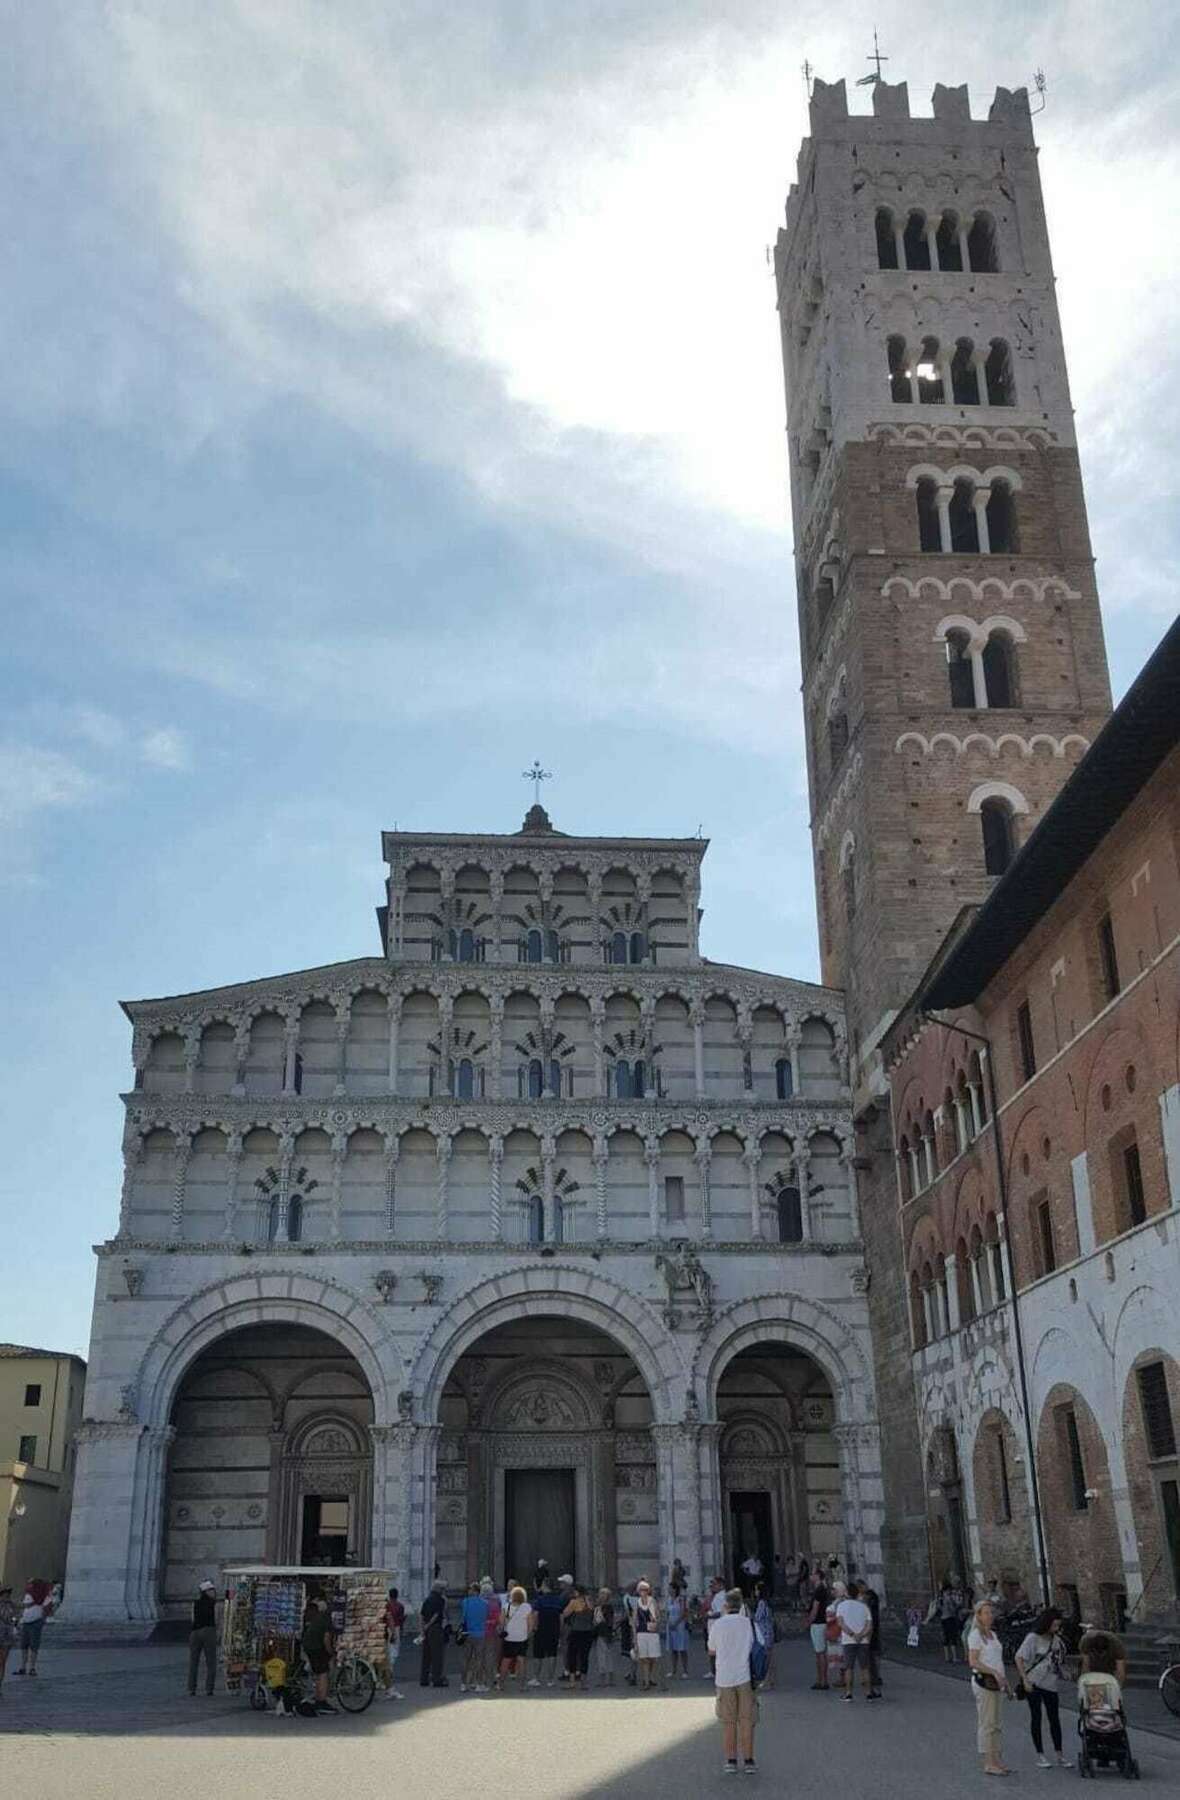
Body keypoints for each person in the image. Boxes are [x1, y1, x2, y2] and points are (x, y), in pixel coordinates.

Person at [1015, 1605, 1072, 1769]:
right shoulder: (1033, 1638)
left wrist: (1064, 1672)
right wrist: (1024, 1680)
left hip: (1050, 1683)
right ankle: (1040, 1754)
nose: (1057, 1628)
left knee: (1054, 1718)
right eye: (1054, 1625)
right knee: (1037, 1717)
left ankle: (1059, 1754)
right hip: (1033, 1682)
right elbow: (1019, 1658)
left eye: (1058, 1625)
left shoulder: (1057, 1640)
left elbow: (1057, 1661)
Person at [708, 1588, 757, 1775]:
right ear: (741, 1605)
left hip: (724, 1677)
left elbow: (711, 1649)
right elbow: (755, 1644)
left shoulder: (718, 1625)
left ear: (726, 1605)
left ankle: (731, 1760)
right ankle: (749, 1760)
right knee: (746, 1719)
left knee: (729, 1720)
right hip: (744, 1676)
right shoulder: (747, 1623)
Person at [967, 1599, 1013, 1778]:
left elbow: (998, 1660)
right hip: (984, 1681)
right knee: (987, 1722)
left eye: (991, 1613)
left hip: (997, 1682)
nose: (989, 1616)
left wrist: (1004, 1680)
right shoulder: (975, 1636)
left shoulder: (993, 1635)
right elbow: (973, 1661)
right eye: (986, 1613)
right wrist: (993, 1672)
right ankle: (989, 1762)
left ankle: (997, 1759)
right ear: (978, 1616)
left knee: (997, 1723)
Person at [834, 1579, 873, 1702]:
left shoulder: (841, 1606)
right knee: (865, 1667)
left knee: (849, 1668)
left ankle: (849, 1693)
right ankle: (868, 1693)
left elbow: (841, 1623)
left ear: (847, 1593)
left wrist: (852, 1634)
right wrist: (861, 1635)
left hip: (848, 1640)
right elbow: (869, 1625)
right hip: (863, 1641)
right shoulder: (864, 1607)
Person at [301, 1597, 337, 1715]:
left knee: (319, 1671)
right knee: (323, 1672)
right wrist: (331, 1652)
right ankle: (321, 1701)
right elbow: (326, 1639)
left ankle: (318, 1697)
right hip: (315, 1647)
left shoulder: (317, 1617)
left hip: (309, 1645)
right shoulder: (327, 1619)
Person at [496, 1585, 532, 1692]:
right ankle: (523, 1685)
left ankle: (501, 1683)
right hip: (522, 1638)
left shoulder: (506, 1606)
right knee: (521, 1661)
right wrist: (528, 1634)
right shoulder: (527, 1607)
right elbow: (530, 1623)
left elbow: (501, 1623)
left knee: (506, 1661)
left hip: (509, 1637)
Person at [530, 1575, 564, 1686]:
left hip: (541, 1629)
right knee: (552, 1654)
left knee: (538, 1654)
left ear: (545, 1586)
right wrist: (560, 1629)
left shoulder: (539, 1600)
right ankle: (550, 1680)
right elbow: (561, 1616)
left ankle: (536, 1678)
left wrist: (533, 1627)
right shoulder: (558, 1600)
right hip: (553, 1629)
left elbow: (535, 1615)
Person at [187, 1578, 218, 1697]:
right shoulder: (214, 1604)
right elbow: (217, 1619)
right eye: (212, 1590)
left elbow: (192, 1619)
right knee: (211, 1661)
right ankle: (209, 1689)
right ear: (206, 1591)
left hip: (195, 1632)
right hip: (208, 1630)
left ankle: (191, 1688)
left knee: (193, 1662)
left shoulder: (195, 1603)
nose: (214, 1592)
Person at [16, 1580, 54, 1678]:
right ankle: (23, 1667)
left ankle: (32, 1668)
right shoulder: (28, 1594)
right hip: (26, 1622)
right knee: (23, 1646)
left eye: (31, 1583)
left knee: (34, 1646)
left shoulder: (43, 1595)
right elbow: (24, 1606)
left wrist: (42, 1620)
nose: (29, 1585)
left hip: (35, 1623)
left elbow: (48, 1606)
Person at [562, 1584, 595, 1687]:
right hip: (588, 1632)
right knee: (584, 1657)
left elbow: (565, 1613)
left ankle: (572, 1682)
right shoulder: (589, 1602)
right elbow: (592, 1612)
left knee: (572, 1655)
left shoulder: (574, 1602)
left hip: (576, 1631)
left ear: (577, 1592)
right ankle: (583, 1682)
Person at [459, 1581, 489, 1692]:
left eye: (470, 1589)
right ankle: (478, 1683)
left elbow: (463, 1618)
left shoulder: (465, 1602)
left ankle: (463, 1683)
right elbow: (485, 1617)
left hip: (467, 1633)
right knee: (479, 1659)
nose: (468, 1591)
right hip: (480, 1633)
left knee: (466, 1659)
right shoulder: (485, 1603)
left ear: (474, 1591)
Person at [419, 1579, 448, 1688]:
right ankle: (437, 1679)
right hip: (435, 1628)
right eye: (443, 1589)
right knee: (437, 1655)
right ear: (440, 1589)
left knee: (426, 1655)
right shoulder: (440, 1600)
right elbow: (437, 1615)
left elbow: (421, 1615)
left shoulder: (427, 1599)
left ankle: (424, 1679)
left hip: (426, 1629)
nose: (444, 1591)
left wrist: (422, 1629)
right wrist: (429, 1625)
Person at [633, 1580, 662, 1689]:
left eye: (645, 1590)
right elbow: (635, 1620)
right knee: (644, 1658)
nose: (643, 1592)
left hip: (652, 1633)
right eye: (641, 1590)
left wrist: (656, 1621)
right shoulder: (637, 1603)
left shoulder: (652, 1601)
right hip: (641, 1632)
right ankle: (646, 1682)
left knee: (653, 1658)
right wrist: (634, 1636)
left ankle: (650, 1678)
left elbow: (658, 1616)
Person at [807, 1569, 832, 1690]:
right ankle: (822, 1679)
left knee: (820, 1653)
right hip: (821, 1623)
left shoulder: (819, 1590)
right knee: (820, 1653)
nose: (810, 1576)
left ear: (817, 1576)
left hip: (818, 1623)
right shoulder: (822, 1589)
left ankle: (822, 1681)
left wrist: (808, 1621)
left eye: (812, 1574)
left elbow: (815, 1609)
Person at [934, 1577, 967, 1663]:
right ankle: (955, 1657)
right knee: (953, 1638)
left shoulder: (940, 1598)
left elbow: (938, 1608)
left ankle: (947, 1657)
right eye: (949, 1590)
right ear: (947, 1590)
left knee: (946, 1638)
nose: (950, 1592)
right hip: (950, 1618)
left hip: (943, 1619)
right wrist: (957, 1606)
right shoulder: (948, 1599)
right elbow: (952, 1609)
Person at [383, 1585, 406, 1699]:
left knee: (389, 1648)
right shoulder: (400, 1606)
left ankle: (390, 1666)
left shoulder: (387, 1605)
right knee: (394, 1649)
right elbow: (401, 1620)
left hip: (386, 1628)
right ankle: (390, 1668)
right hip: (394, 1628)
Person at [479, 1577, 501, 1692]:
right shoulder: (496, 1602)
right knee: (491, 1655)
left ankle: (481, 1680)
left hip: (481, 1632)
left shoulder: (479, 1602)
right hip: (492, 1631)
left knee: (481, 1656)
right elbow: (498, 1618)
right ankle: (493, 1678)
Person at [666, 1582, 690, 1681]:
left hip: (680, 1625)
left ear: (675, 1590)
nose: (669, 1590)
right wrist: (668, 1622)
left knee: (682, 1649)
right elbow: (667, 1612)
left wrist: (675, 1623)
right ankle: (673, 1670)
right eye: (669, 1588)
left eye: (671, 1588)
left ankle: (685, 1671)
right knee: (673, 1649)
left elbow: (684, 1613)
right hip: (671, 1625)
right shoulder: (668, 1600)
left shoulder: (681, 1599)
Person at [591, 1587, 616, 1686]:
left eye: (602, 1594)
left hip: (604, 1634)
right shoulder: (598, 1607)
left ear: (607, 1596)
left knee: (605, 1656)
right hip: (599, 1634)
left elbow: (609, 1622)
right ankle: (605, 1680)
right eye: (600, 1593)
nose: (600, 1596)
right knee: (602, 1656)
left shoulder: (607, 1607)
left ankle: (607, 1680)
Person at [862, 1583, 883, 1699]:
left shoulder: (869, 1611)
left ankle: (872, 1688)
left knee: (870, 1664)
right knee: (871, 1663)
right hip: (871, 1638)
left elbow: (870, 1626)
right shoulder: (871, 1610)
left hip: (870, 1639)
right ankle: (873, 1687)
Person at [0, 1586, 16, 1696]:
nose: (7, 1596)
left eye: (8, 1594)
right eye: (5, 1594)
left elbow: (13, 1617)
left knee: (3, 1662)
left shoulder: (11, 1605)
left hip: (7, 1637)